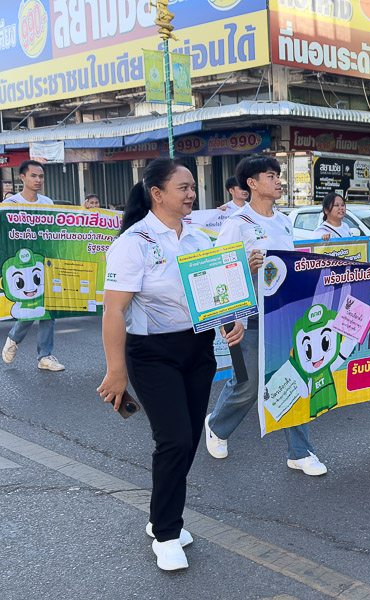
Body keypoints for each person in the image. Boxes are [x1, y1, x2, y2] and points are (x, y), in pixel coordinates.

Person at [97, 158, 244, 571]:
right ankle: (165, 532)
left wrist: (232, 319)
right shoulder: (134, 243)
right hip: (151, 353)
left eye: (193, 187)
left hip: (197, 348)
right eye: (183, 187)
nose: (191, 194)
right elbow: (113, 311)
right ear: (157, 194)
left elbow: (214, 292)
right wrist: (116, 370)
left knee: (190, 438)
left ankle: (161, 515)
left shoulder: (198, 238)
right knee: (174, 440)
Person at [204, 156, 327, 476]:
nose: (278, 181)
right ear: (252, 183)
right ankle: (216, 426)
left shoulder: (284, 221)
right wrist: (246, 267)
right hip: (246, 317)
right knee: (247, 386)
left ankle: (300, 452)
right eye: (270, 176)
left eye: (278, 176)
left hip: (283, 315)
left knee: (296, 378)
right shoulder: (237, 224)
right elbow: (217, 274)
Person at [1, 160, 63, 371]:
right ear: (22, 177)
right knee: (30, 305)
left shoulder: (47, 202)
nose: (38, 180)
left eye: (41, 176)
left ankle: (45, 355)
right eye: (34, 176)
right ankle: (14, 338)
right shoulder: (11, 204)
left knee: (49, 306)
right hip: (20, 263)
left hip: (43, 261)